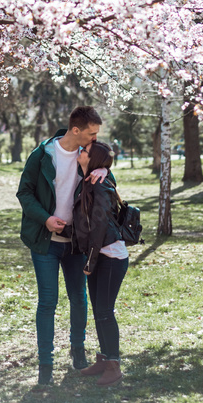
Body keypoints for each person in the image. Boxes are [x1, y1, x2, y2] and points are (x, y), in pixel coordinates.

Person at [16, 105, 105, 386]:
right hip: (46, 242)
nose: (95, 139)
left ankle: (78, 351)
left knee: (79, 298)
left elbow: (106, 185)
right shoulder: (43, 154)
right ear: (75, 130)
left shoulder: (90, 155)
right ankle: (45, 364)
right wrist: (45, 219)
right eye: (91, 134)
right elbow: (25, 192)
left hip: (77, 241)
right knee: (48, 302)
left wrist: (103, 167)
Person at [72, 141, 129, 387]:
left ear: (92, 160)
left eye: (84, 151)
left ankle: (114, 366)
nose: (79, 152)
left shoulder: (101, 187)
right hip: (99, 255)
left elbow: (98, 229)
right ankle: (104, 359)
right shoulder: (89, 181)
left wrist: (89, 262)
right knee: (99, 311)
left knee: (105, 311)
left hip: (110, 256)